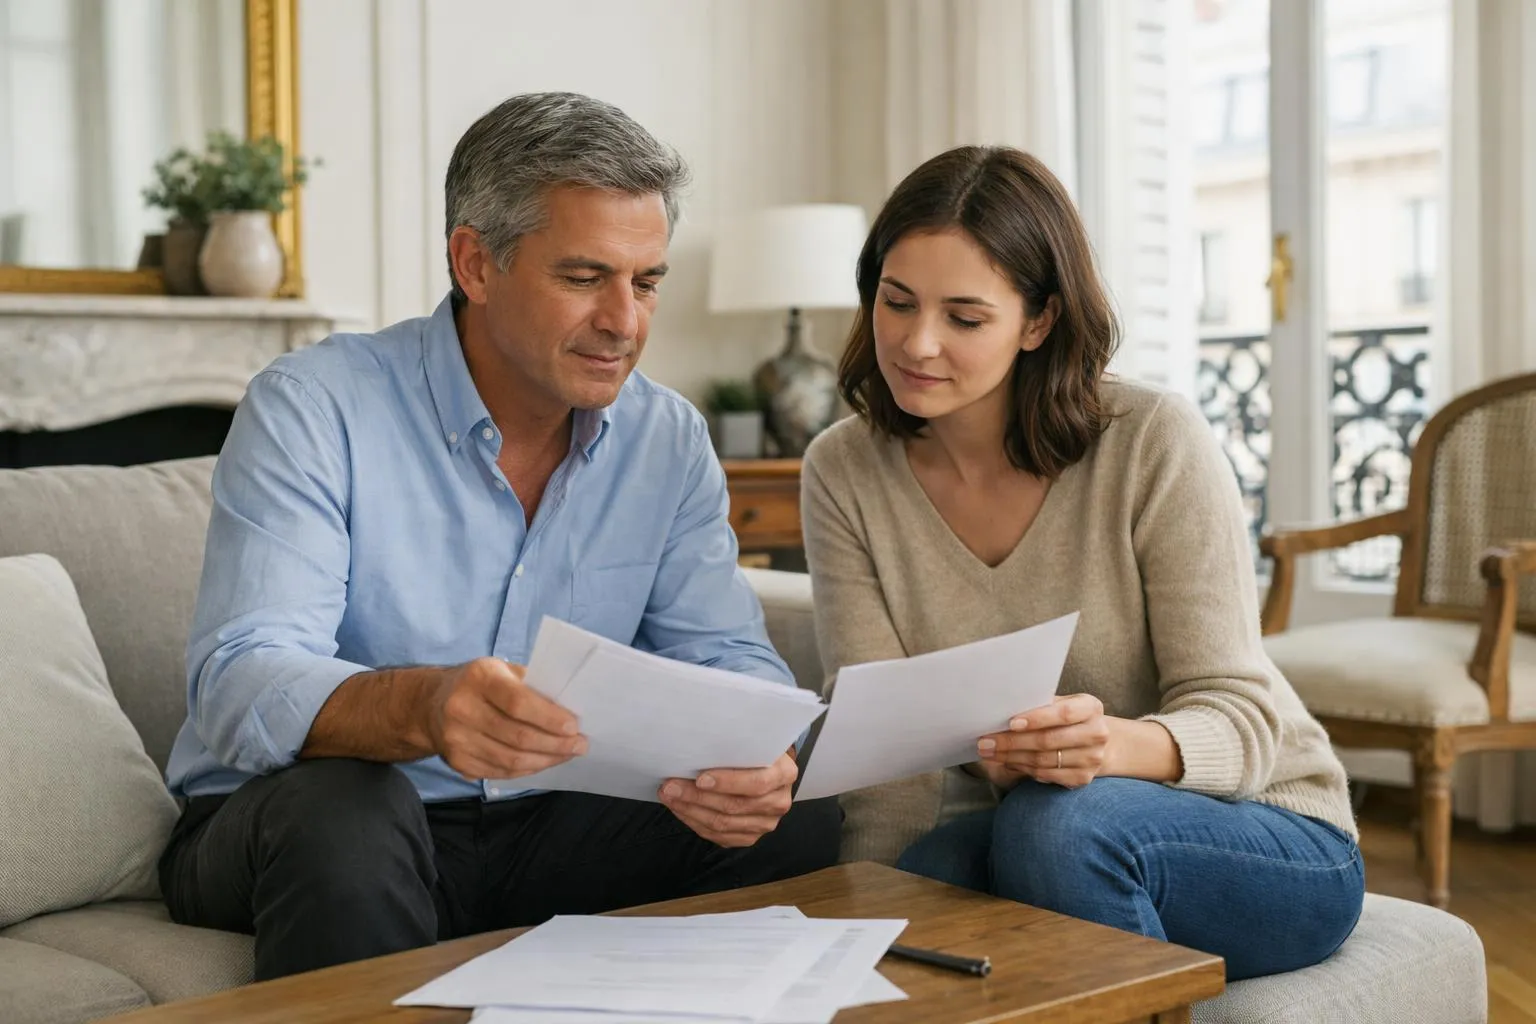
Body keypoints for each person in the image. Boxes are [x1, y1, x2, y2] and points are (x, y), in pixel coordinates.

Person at [160, 91, 841, 981]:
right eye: (584, 277)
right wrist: (424, 708)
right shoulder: (315, 405)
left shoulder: (667, 438)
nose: (625, 322)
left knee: (805, 812)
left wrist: (757, 761)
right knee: (349, 812)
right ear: (475, 264)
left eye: (647, 282)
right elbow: (240, 678)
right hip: (307, 822)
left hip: (544, 825)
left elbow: (729, 658)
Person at [801, 145, 1363, 981]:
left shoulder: (1151, 440)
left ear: (1038, 321)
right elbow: (885, 751)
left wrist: (1107, 747)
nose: (917, 344)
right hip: (1046, 823)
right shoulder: (842, 470)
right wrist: (865, 907)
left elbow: (1243, 720)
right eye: (896, 301)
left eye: (964, 317)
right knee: (904, 893)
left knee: (1053, 824)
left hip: (1268, 829)